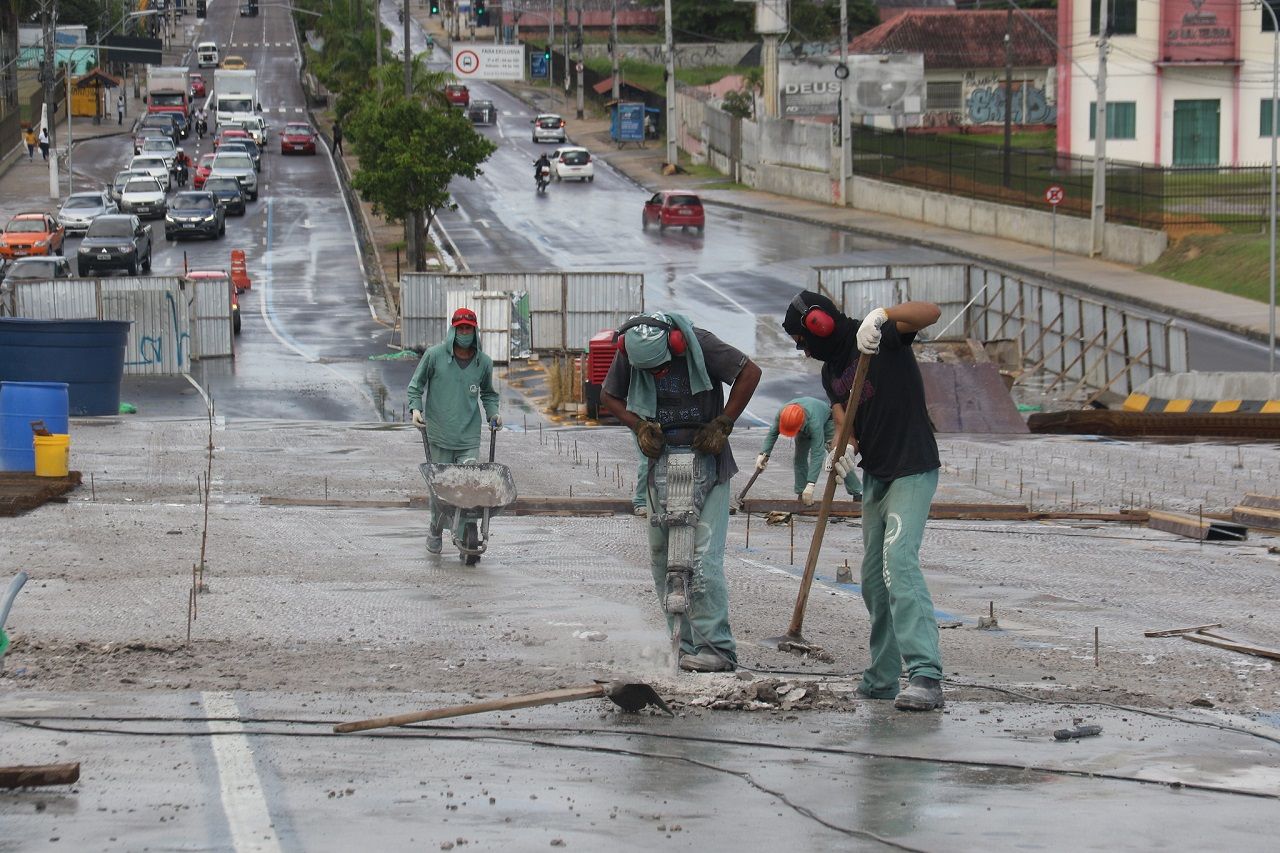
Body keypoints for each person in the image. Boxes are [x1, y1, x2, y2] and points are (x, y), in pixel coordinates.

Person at [783, 290, 945, 711]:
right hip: (875, 475)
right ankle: (882, 678)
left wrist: (884, 314)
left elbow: (931, 311)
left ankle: (926, 674)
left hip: (912, 465)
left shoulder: (877, 333)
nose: (803, 350)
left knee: (899, 560)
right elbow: (844, 420)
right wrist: (842, 453)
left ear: (818, 324)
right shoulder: (832, 369)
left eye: (802, 340)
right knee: (874, 580)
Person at [600, 312, 761, 673]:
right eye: (650, 373)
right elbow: (609, 396)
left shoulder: (697, 343)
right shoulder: (632, 350)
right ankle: (685, 645)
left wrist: (724, 421)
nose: (657, 377)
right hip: (663, 461)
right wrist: (639, 425)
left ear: (674, 347)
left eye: (660, 369)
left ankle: (716, 648)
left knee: (702, 559)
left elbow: (750, 373)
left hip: (709, 458)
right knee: (663, 558)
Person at [407, 307, 501, 555]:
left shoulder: (484, 363)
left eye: (468, 328)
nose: (464, 333)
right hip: (439, 434)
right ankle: (435, 529)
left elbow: (489, 394)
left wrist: (493, 414)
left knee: (469, 489)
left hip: (468, 436)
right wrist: (415, 409)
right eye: (460, 328)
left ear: (475, 331)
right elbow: (415, 386)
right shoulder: (434, 356)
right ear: (453, 330)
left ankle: (465, 537)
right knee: (442, 491)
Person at [756, 396, 861, 506]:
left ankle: (857, 492)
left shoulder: (814, 423)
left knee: (838, 457)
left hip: (826, 421)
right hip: (803, 424)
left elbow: (817, 453)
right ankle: (801, 494)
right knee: (799, 458)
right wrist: (764, 454)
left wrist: (811, 484)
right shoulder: (783, 414)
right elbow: (773, 433)